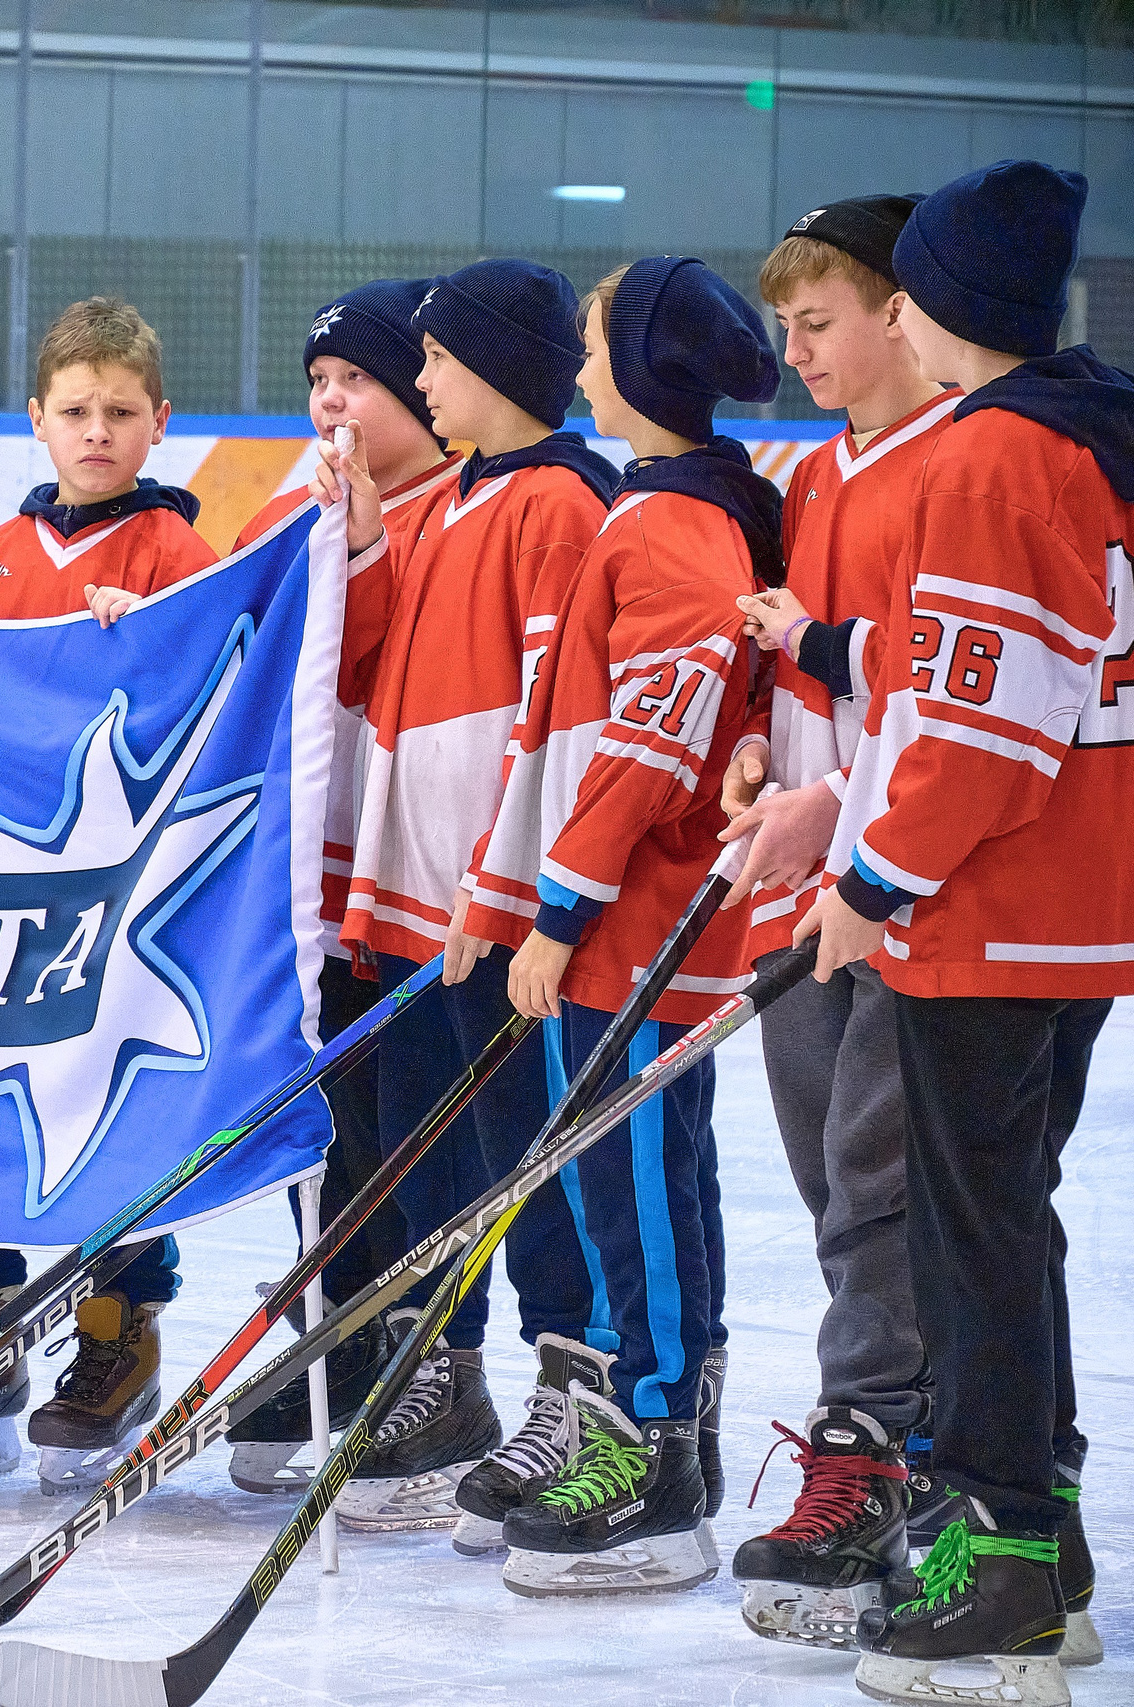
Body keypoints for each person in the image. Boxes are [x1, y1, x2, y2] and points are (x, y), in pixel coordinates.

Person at [796, 160, 1125, 1706]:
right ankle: (1041, 1543)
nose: (899, 317)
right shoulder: (1091, 432)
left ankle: (991, 1556)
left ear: (948, 307)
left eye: (908, 291)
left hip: (993, 914)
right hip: (1074, 910)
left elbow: (984, 725)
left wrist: (873, 883)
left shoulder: (997, 456)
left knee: (973, 1234)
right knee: (1010, 1219)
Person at [475, 256, 777, 1597]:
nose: (584, 366)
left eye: (599, 345)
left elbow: (653, 741)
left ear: (647, 371)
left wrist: (562, 907)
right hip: (632, 930)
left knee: (637, 1183)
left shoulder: (665, 525)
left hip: (633, 936)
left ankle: (660, 1452)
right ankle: (669, 1426)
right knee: (650, 1177)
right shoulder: (669, 506)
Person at [308, 260, 615, 1538]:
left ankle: (574, 1388)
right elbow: (376, 665)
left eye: (427, 363)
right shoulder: (459, 499)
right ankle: (447, 1377)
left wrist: (517, 892)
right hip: (422, 909)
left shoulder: (556, 502)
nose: (416, 384)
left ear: (489, 366)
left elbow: (556, 720)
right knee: (446, 1162)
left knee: (530, 1168)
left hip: (495, 912)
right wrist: (369, 542)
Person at [0, 297, 217, 1497]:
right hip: (1, 905)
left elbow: (213, 707)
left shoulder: (180, 558)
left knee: (109, 1113)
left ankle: (116, 1338)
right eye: (75, 411)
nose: (97, 432)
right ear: (36, 420)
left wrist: (152, 644)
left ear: (158, 424)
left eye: (121, 413)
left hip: (117, 906)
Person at [715, 196, 959, 1650]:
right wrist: (761, 750)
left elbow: (958, 697)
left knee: (885, 1169)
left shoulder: (963, 464)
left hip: (905, 890)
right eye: (785, 327)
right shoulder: (817, 474)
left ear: (899, 313)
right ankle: (895, 1433)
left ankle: (881, 1444)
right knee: (833, 1174)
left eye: (820, 322)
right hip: (805, 885)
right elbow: (802, 656)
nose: (796, 349)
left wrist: (844, 809)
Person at [211, 280, 462, 1498]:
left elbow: (372, 659)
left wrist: (360, 543)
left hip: (410, 878)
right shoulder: (283, 505)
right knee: (326, 1129)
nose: (329, 402)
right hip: (305, 878)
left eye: (354, 378)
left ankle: (402, 1359)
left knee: (406, 1135)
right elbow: (229, 648)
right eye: (316, 383)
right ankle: (335, 1339)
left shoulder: (456, 508)